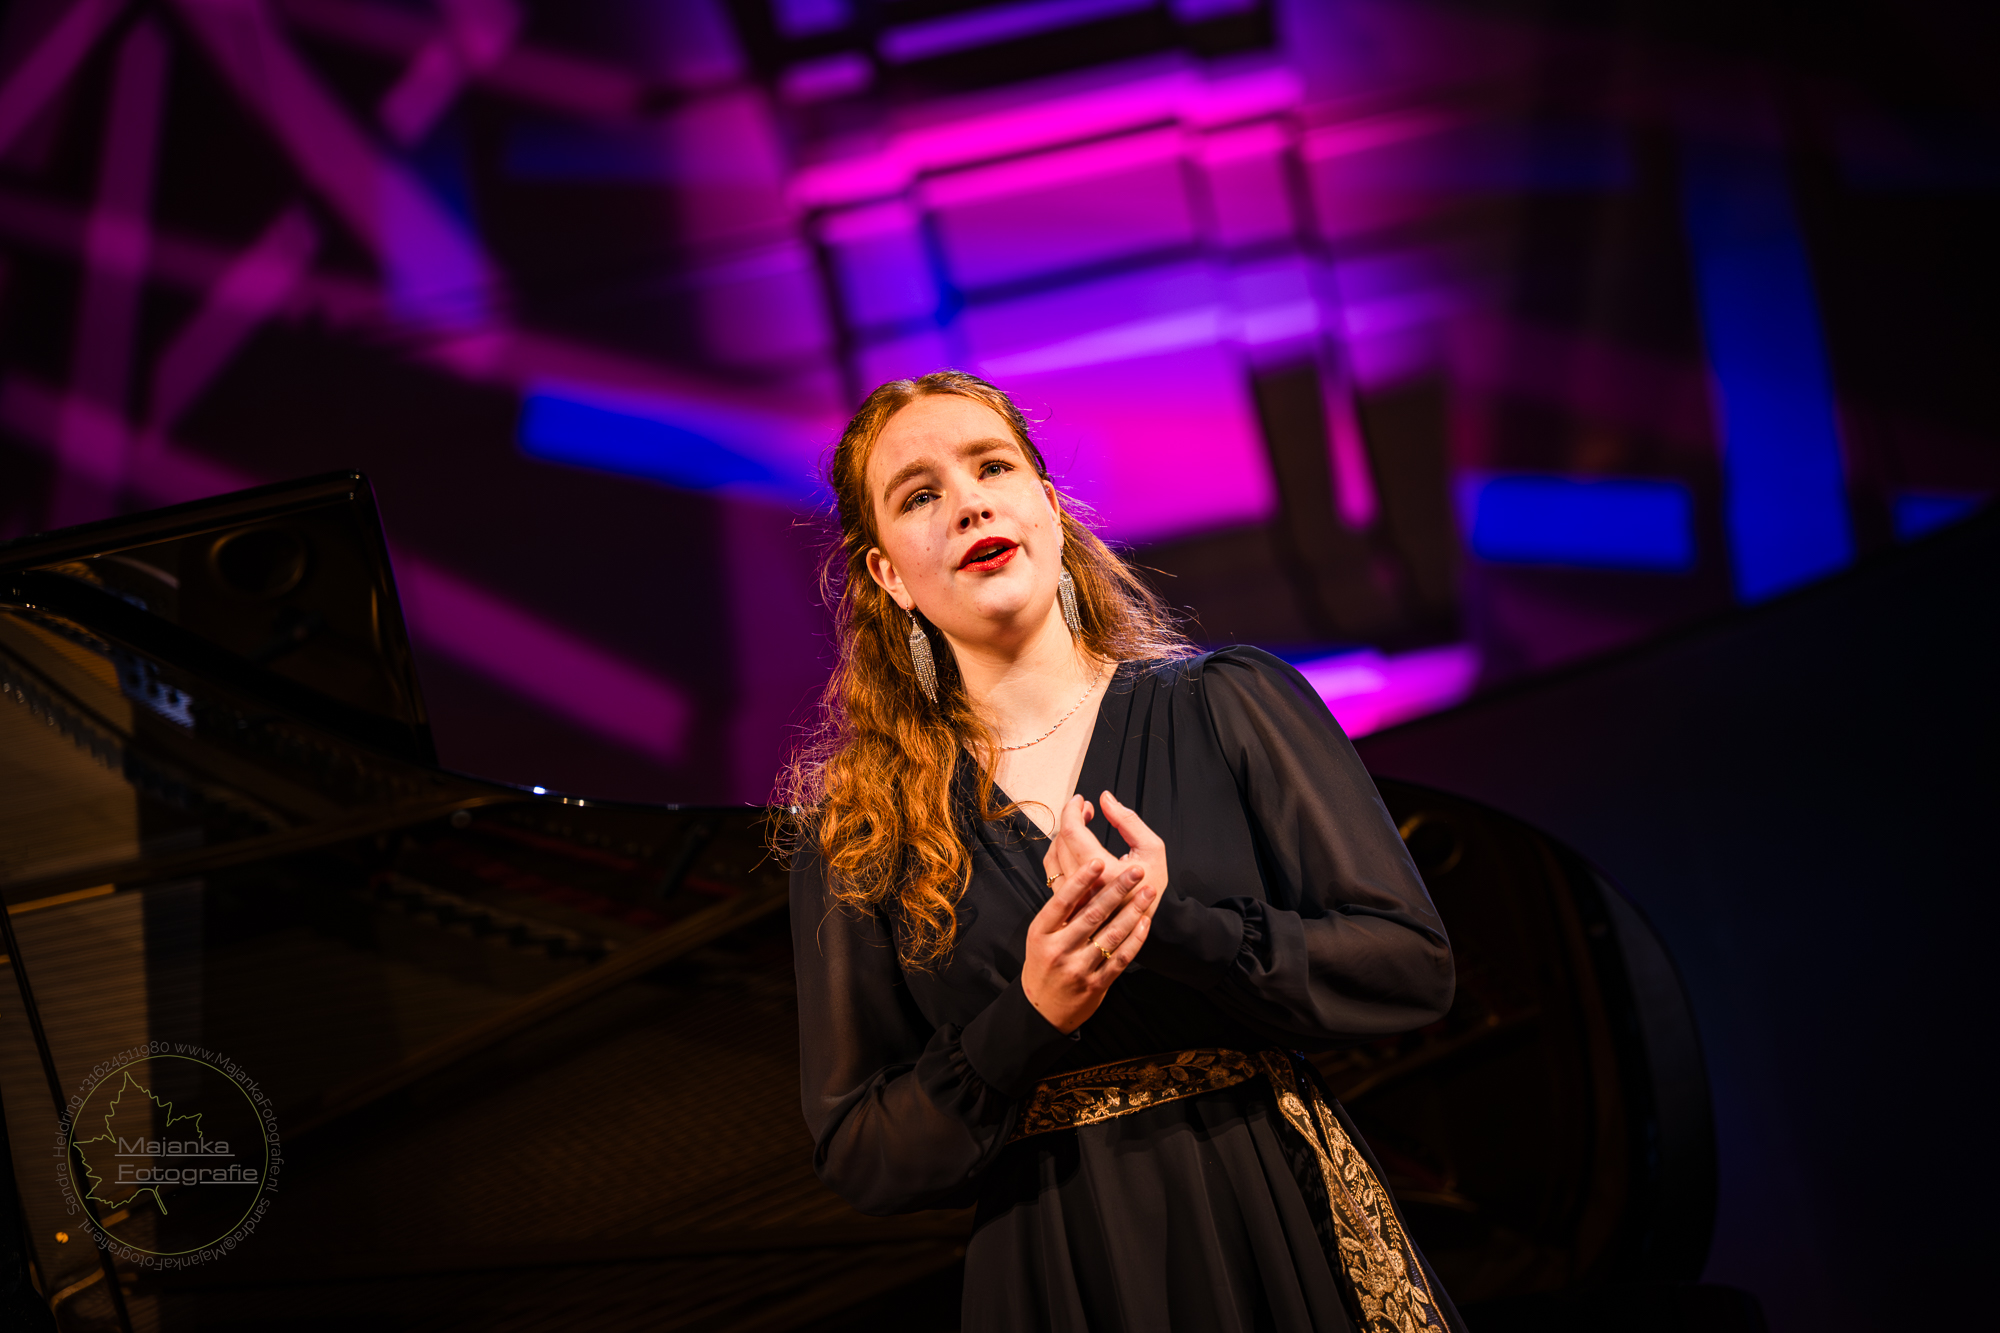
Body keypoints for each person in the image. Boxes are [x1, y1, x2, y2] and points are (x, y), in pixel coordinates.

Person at [781, 371, 1464, 1333]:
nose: (969, 502)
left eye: (992, 467)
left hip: (1273, 1210)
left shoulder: (1230, 704)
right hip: (1060, 1268)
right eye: (919, 494)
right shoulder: (861, 831)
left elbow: (1410, 967)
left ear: (1048, 506)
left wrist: (1175, 927)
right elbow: (860, 1150)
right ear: (889, 574)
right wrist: (1027, 1016)